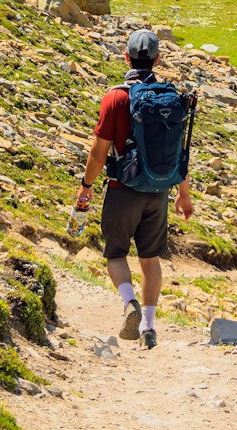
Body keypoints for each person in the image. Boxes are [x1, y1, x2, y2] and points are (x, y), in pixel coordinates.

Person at [73, 29, 194, 350]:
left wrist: (86, 187)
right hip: (159, 192)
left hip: (122, 187)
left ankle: (129, 304)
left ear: (126, 56)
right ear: (156, 59)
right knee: (150, 259)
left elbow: (98, 153)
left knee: (115, 253)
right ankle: (149, 328)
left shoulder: (116, 98)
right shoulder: (170, 99)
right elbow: (177, 151)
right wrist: (184, 192)